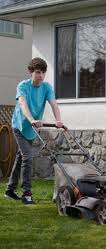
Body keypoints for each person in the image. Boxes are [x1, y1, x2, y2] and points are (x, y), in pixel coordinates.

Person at [4, 57, 63, 204]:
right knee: (28, 158)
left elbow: (54, 104)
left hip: (32, 129)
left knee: (21, 158)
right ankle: (27, 193)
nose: (41, 75)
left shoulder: (47, 87)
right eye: (38, 72)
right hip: (20, 126)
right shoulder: (22, 86)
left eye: (43, 72)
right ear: (30, 72)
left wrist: (58, 120)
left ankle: (10, 190)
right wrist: (31, 120)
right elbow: (23, 104)